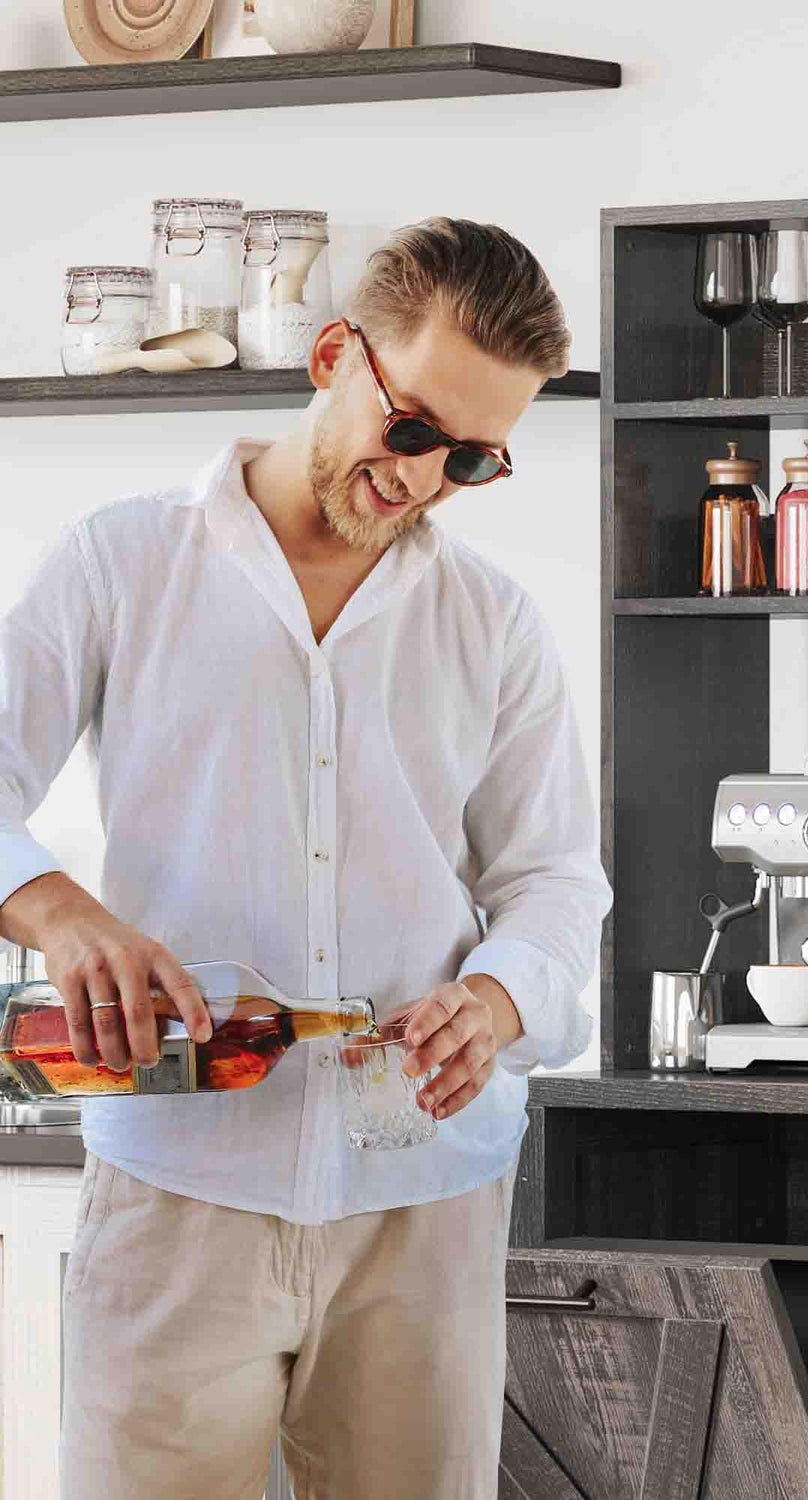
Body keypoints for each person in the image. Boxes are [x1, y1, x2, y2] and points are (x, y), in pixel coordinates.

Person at [0, 218, 612, 1499]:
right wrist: (56, 910)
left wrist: (499, 998)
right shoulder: (122, 564)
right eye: (413, 428)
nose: (425, 478)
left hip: (425, 1206)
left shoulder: (494, 623)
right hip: (178, 1190)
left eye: (472, 458)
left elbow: (554, 878)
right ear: (334, 355)